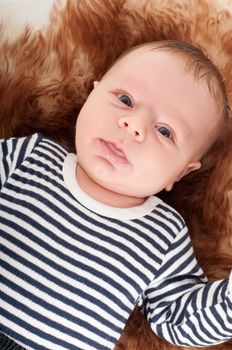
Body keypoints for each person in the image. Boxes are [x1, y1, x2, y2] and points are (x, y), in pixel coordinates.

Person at [0, 40, 232, 350]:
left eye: (165, 131)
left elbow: (179, 320)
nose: (134, 124)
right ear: (92, 93)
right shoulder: (29, 155)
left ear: (180, 173)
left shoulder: (164, 233)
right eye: (124, 99)